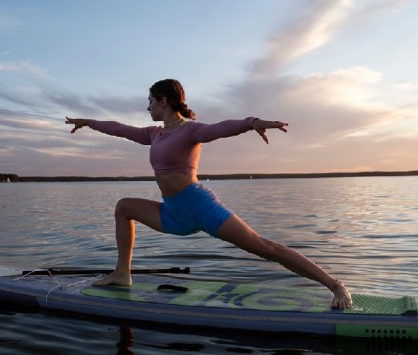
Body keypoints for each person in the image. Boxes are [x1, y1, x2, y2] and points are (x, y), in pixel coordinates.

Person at [65, 79, 353, 309]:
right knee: (123, 207)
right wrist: (89, 122)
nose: (147, 107)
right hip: (172, 213)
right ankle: (122, 273)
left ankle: (335, 284)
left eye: (150, 101)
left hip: (199, 206)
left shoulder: (190, 131)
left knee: (263, 247)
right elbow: (121, 129)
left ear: (164, 101)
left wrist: (251, 122)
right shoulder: (155, 134)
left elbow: (219, 129)